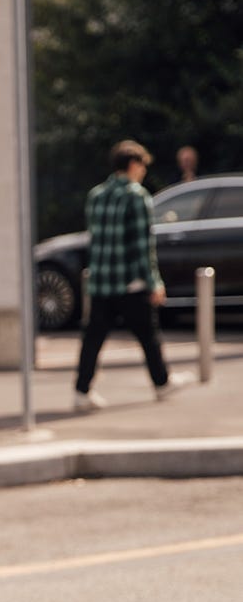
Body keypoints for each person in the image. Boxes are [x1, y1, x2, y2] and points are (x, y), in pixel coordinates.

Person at [74, 140, 192, 412]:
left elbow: (95, 239)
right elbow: (142, 246)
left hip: (102, 280)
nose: (143, 172)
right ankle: (162, 383)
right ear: (133, 165)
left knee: (93, 338)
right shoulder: (136, 196)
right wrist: (154, 282)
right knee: (148, 335)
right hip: (130, 282)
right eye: (142, 166)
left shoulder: (96, 195)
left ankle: (81, 391)